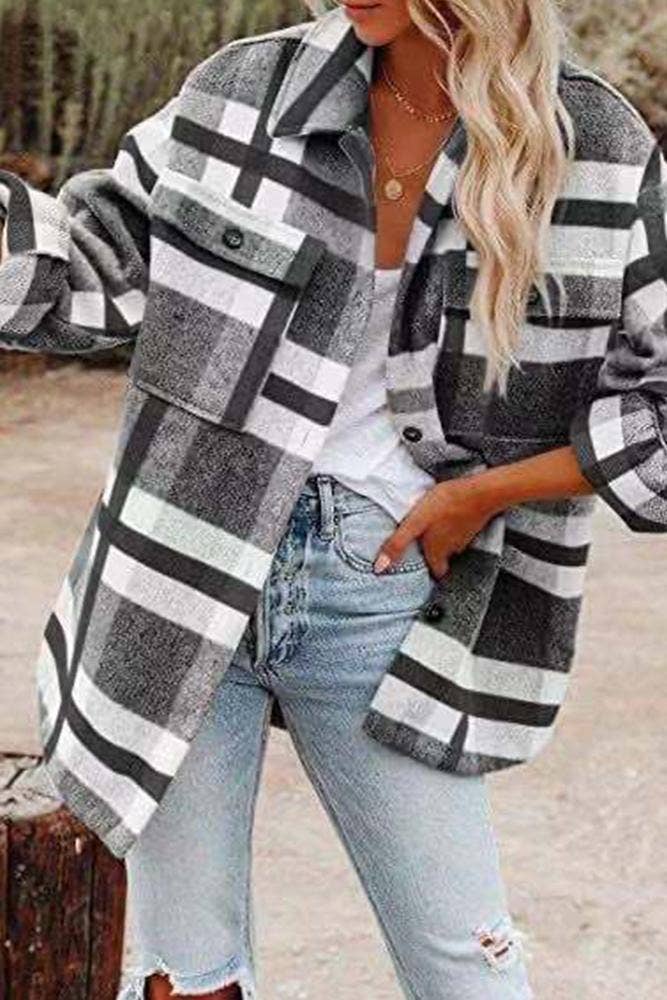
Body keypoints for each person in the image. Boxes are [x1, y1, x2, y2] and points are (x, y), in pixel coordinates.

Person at [0, 0, 665, 997]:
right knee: (186, 974)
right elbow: (90, 266)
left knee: (466, 967)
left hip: (387, 589)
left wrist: (486, 493)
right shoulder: (246, 90)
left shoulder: (594, 145)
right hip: (181, 571)